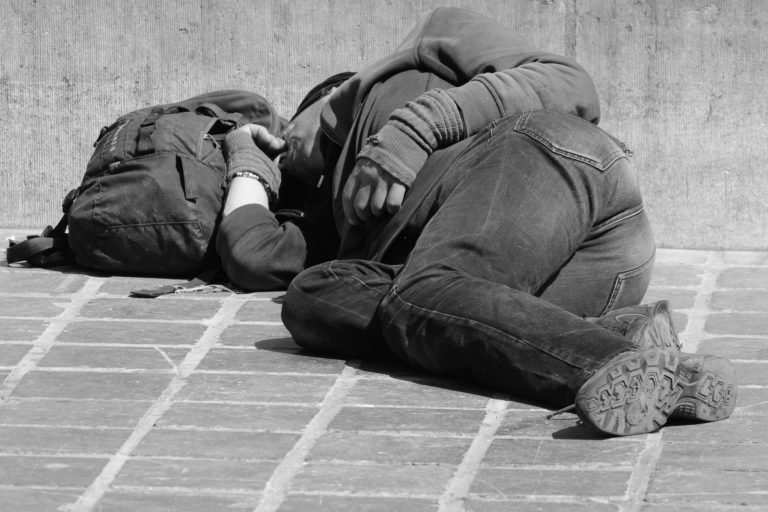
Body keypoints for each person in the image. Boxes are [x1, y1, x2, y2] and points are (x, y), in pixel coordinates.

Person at [216, 7, 737, 436]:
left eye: (287, 130)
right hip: (546, 290)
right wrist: (247, 159)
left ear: (329, 97)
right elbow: (251, 257)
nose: (283, 145)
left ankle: (610, 361)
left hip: (555, 166)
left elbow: (570, 82)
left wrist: (413, 130)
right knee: (315, 298)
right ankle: (612, 337)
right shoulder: (331, 211)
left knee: (424, 292)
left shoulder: (419, 53)